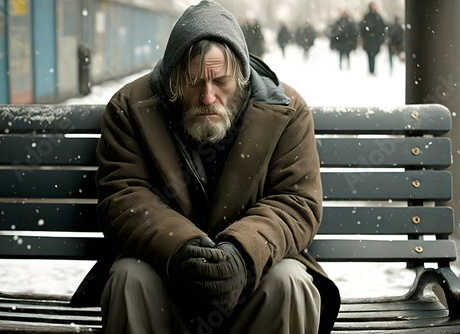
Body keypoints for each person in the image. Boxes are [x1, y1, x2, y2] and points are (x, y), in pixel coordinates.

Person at [95, 1, 340, 333]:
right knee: (129, 277)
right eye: (193, 82)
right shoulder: (129, 106)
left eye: (220, 81)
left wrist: (241, 252)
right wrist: (180, 247)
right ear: (171, 80)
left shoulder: (288, 110)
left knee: (290, 282)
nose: (208, 97)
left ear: (241, 77)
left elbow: (296, 201)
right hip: (164, 273)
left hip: (256, 278)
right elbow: (122, 196)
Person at [359, 2, 387, 75]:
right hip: (369, 40)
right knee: (369, 55)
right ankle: (370, 70)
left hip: (375, 40)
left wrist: (381, 38)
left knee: (373, 55)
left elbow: (383, 28)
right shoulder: (367, 17)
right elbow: (362, 28)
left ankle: (372, 70)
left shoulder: (378, 17)